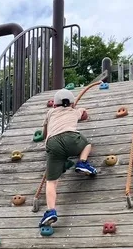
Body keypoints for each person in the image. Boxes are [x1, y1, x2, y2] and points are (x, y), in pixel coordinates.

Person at [39, 89, 98, 228]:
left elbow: (44, 134)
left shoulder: (50, 113)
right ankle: (82, 162)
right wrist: (81, 110)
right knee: (87, 145)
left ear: (54, 105)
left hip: (53, 143)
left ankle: (51, 211)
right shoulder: (74, 111)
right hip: (71, 138)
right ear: (72, 104)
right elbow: (84, 116)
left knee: (51, 182)